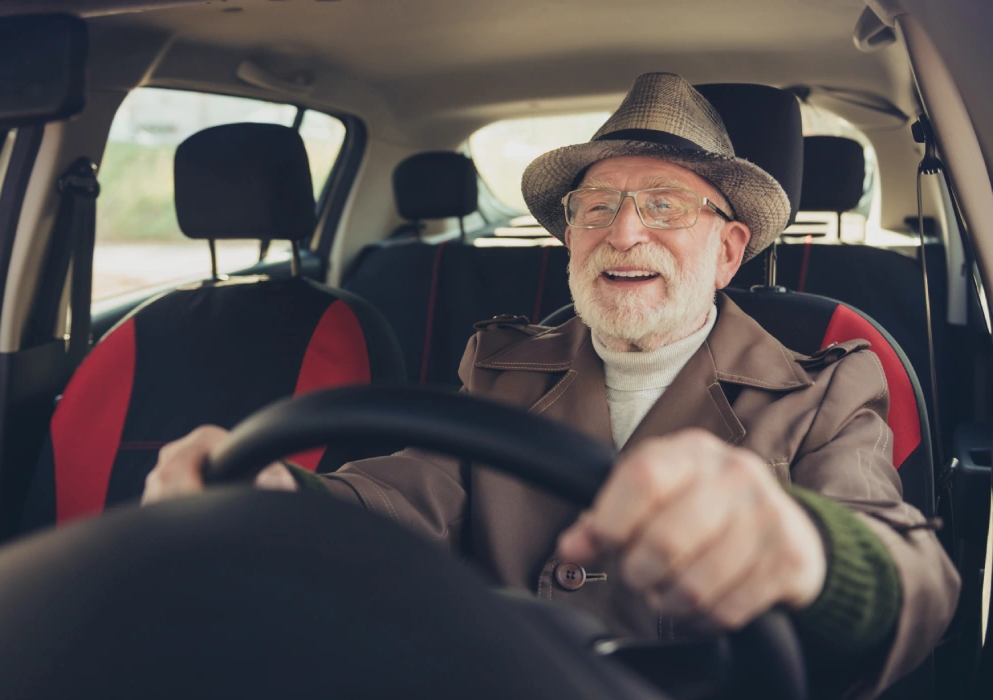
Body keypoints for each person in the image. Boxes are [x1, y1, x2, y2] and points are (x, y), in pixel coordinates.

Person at [142, 73, 959, 697]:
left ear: (727, 252)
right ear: (570, 240)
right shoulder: (499, 363)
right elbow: (409, 493)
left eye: (665, 205)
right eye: (594, 207)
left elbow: (916, 579)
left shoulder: (825, 386)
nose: (623, 231)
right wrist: (283, 496)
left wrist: (809, 551)